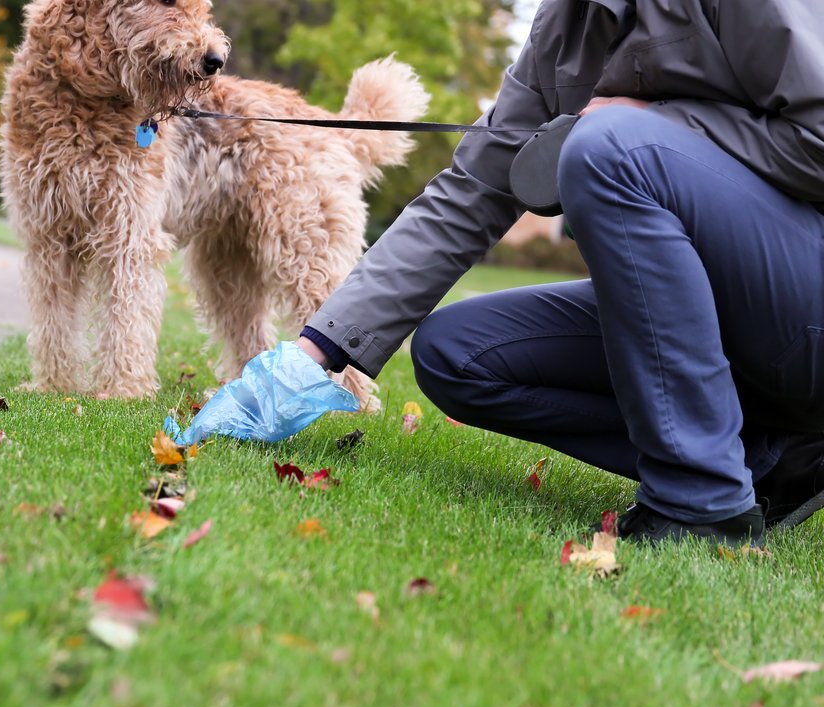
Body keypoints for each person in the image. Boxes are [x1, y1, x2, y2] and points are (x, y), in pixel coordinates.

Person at [246, 0, 823, 547]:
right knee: (456, 354)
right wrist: (312, 354)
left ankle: (703, 502)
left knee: (608, 146)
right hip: (729, 325)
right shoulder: (564, 25)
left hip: (803, 308)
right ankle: (768, 459)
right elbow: (473, 189)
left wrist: (658, 122)